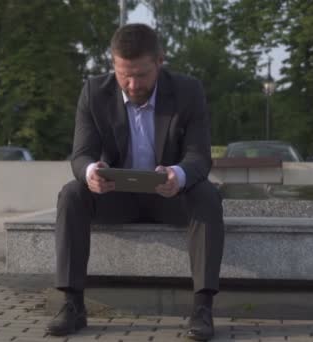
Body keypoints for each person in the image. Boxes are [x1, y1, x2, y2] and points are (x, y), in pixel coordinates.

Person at [46, 23, 225, 341]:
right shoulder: (93, 91)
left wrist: (178, 175)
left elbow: (199, 157)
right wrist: (92, 174)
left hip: (170, 196)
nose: (131, 84)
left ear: (160, 61)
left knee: (208, 195)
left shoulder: (188, 91)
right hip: (116, 196)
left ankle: (202, 308)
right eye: (122, 74)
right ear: (113, 63)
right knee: (72, 193)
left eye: (140, 75)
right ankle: (72, 304)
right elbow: (80, 156)